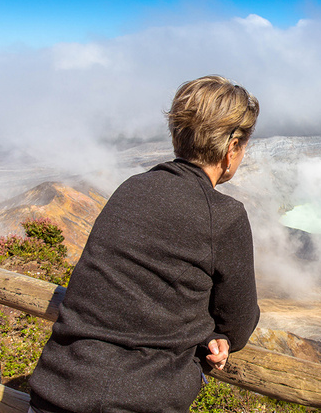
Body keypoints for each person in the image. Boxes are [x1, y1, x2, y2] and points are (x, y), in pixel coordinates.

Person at [29, 75, 261, 413]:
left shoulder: (131, 188)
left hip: (56, 390)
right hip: (143, 400)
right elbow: (238, 323)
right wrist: (212, 333)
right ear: (231, 148)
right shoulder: (224, 215)